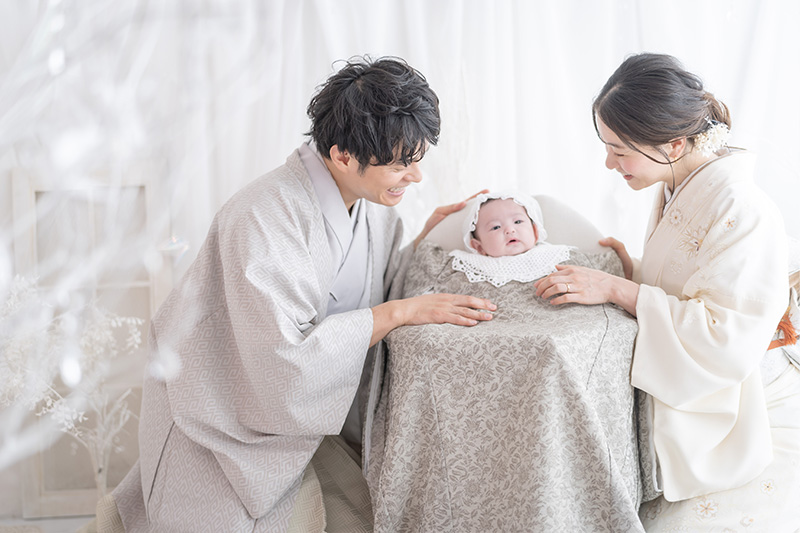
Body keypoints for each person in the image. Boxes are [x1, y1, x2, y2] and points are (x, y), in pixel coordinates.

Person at [94, 56, 496, 533]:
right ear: (343, 155)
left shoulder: (374, 213)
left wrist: (427, 240)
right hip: (219, 421)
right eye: (398, 164)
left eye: (417, 159)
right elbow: (281, 364)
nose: (415, 177)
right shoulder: (262, 215)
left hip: (285, 425)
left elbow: (371, 286)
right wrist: (398, 311)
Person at [534, 52, 798, 530]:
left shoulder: (744, 210)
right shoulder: (678, 181)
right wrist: (632, 270)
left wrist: (618, 289)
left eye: (619, 150)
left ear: (674, 144)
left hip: (726, 401)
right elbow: (686, 281)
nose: (609, 163)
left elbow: (725, 339)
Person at [446, 190, 573, 287]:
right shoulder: (469, 267)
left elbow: (588, 271)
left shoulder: (554, 256)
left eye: (517, 221)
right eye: (496, 227)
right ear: (478, 246)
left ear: (535, 231)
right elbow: (428, 262)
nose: (509, 230)